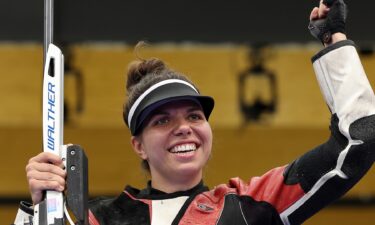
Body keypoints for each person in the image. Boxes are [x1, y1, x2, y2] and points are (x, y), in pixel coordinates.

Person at [14, 0, 374, 224]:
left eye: (194, 116)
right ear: (138, 145)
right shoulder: (96, 219)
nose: (183, 128)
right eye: (162, 120)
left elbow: (360, 141)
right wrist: (37, 210)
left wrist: (335, 42)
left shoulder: (251, 208)